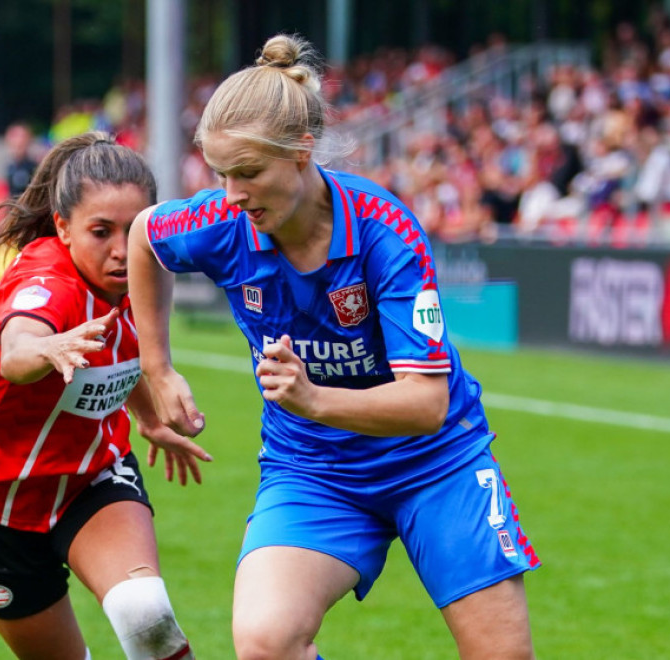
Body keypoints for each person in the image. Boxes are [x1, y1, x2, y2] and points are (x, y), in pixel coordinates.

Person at [127, 36, 539, 659]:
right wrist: (157, 368)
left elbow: (426, 403)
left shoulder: (386, 232)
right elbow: (142, 235)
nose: (233, 194)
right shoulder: (220, 222)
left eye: (249, 172)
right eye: (221, 174)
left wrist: (313, 397)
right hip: (315, 470)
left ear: (301, 152)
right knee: (265, 642)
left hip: (435, 462)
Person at [0, 132, 208, 660]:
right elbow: (16, 354)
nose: (123, 250)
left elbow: (128, 350)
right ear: (63, 227)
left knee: (147, 617)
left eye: (136, 229)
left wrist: (148, 419)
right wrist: (47, 345)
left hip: (88, 476)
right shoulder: (46, 283)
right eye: (101, 231)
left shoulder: (144, 270)